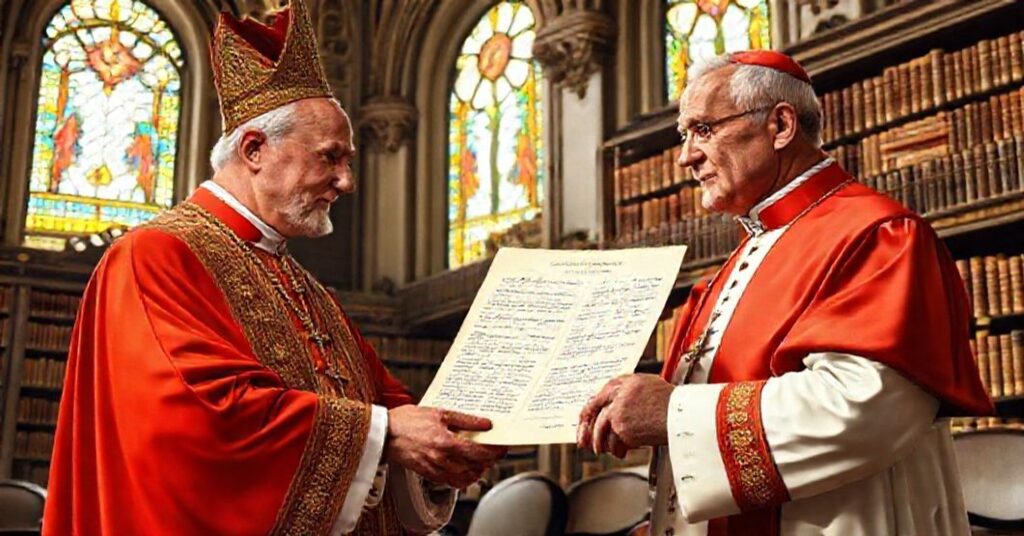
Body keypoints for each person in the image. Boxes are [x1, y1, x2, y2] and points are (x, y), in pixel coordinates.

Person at [42, 1, 505, 534]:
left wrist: (455, 439)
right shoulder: (154, 256)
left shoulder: (304, 286)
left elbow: (387, 402)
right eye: (330, 157)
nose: (346, 182)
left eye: (348, 161)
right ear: (255, 149)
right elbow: (200, 419)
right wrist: (386, 434)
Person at [578, 50, 993, 535]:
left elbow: (865, 410)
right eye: (684, 135)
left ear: (779, 125)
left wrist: (670, 410)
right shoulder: (745, 255)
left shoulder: (876, 234)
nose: (686, 156)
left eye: (704, 130)